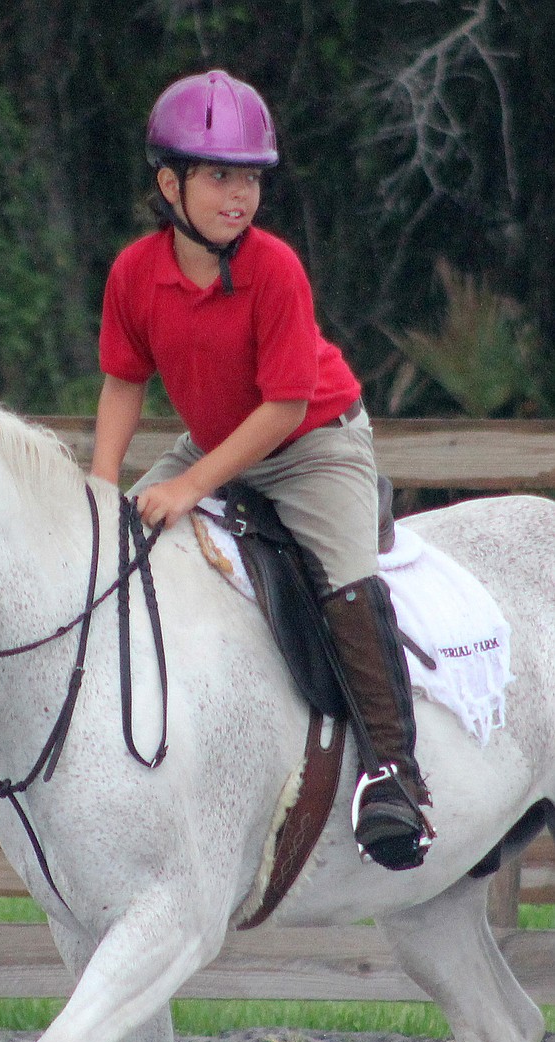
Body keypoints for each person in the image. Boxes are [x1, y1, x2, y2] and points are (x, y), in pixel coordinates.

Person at [90, 68, 433, 871]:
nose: (239, 194)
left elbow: (283, 408)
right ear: (169, 183)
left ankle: (397, 777)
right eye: (219, 175)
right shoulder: (134, 273)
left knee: (346, 577)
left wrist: (189, 485)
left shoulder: (275, 267)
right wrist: (105, 487)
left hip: (314, 442)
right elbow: (121, 382)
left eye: (250, 176)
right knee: (109, 552)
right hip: (214, 439)